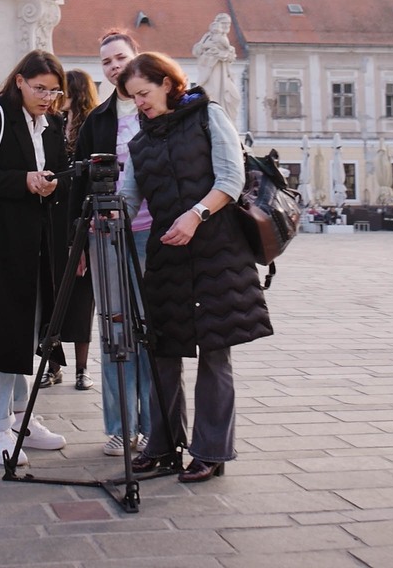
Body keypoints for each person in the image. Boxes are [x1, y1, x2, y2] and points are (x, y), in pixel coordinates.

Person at [116, 52, 270, 484]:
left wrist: (195, 214)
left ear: (167, 83)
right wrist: (107, 217)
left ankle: (210, 451)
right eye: (132, 99)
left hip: (217, 251)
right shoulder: (139, 141)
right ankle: (162, 445)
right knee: (163, 351)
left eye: (143, 93)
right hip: (168, 255)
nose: (139, 104)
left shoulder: (208, 115)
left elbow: (230, 178)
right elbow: (129, 198)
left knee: (214, 353)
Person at [0, 49, 72, 467]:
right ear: (19, 81)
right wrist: (23, 181)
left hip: (37, 244)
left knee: (24, 335)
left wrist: (54, 184)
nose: (47, 97)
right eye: (40, 88)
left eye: (54, 91)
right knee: (1, 336)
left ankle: (21, 420)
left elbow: (58, 172)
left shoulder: (52, 122)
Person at [73, 30, 158, 456]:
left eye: (120, 57)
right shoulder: (98, 120)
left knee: (150, 328)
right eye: (106, 61)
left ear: (136, 58)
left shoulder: (157, 110)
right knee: (115, 327)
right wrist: (81, 241)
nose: (113, 66)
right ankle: (121, 425)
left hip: (150, 232)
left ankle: (152, 424)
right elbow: (82, 180)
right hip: (106, 234)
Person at [36, 66, 98, 391]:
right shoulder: (53, 125)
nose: (55, 96)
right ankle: (53, 364)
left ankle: (82, 369)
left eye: (61, 90)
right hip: (52, 221)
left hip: (80, 220)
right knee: (50, 295)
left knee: (80, 300)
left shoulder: (91, 127)